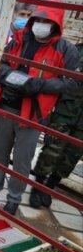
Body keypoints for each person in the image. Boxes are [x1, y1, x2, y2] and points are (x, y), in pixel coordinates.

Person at [0, 4, 79, 215]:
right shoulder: (19, 40)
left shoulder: (65, 49)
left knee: (22, 159)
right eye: (38, 20)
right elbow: (0, 63)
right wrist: (12, 78)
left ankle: (14, 198)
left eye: (47, 22)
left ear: (56, 25)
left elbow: (73, 83)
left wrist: (39, 85)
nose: (41, 26)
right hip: (7, 105)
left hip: (33, 113)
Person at [30, 43, 82, 209]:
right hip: (66, 109)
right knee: (52, 149)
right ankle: (38, 186)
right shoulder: (76, 50)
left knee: (72, 155)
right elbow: (59, 77)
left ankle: (50, 186)